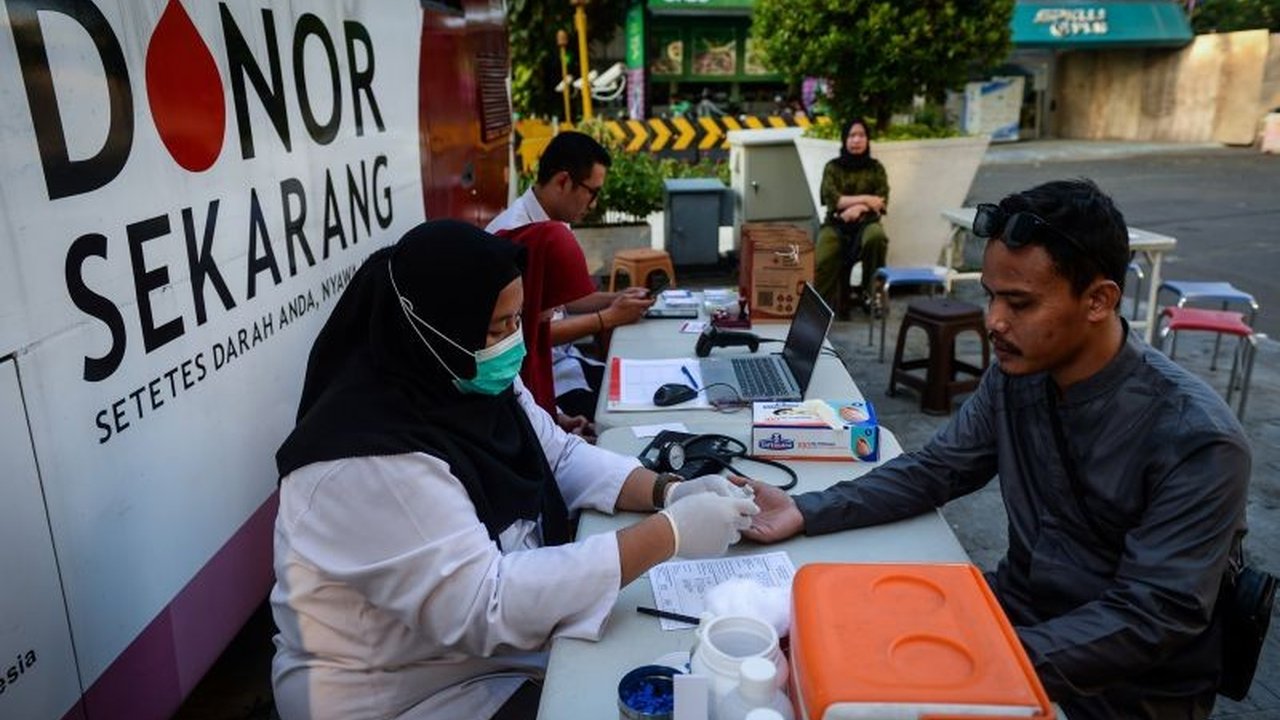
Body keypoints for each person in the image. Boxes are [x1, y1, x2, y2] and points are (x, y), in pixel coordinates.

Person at [744, 180, 1250, 719]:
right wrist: (805, 509)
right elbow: (938, 469)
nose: (994, 322)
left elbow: (1149, 618)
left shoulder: (1198, 439)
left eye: (1020, 302)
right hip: (1010, 622)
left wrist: (974, 660)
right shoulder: (1020, 375)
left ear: (1099, 300)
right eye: (991, 295)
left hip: (1123, 692)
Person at [270, 220, 759, 720]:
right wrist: (668, 535)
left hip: (479, 661)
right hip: (397, 694)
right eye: (496, 327)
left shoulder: (463, 378)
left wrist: (668, 491)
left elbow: (561, 455)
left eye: (517, 319)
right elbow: (486, 602)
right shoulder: (368, 461)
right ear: (432, 326)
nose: (513, 343)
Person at [487, 131, 652, 426]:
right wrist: (607, 317)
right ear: (563, 181)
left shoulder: (554, 222)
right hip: (537, 377)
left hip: (564, 361)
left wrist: (618, 300)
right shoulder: (511, 238)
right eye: (593, 192)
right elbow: (527, 335)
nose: (594, 204)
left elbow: (568, 300)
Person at [494, 221, 596, 423]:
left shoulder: (527, 331)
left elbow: (529, 409)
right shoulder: (501, 352)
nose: (559, 309)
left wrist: (558, 420)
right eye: (552, 300)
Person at [813, 118, 889, 317]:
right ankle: (818, 306)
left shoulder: (876, 168)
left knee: (876, 238)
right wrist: (866, 200)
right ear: (844, 139)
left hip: (867, 223)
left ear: (867, 139)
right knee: (823, 255)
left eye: (861, 135)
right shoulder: (833, 167)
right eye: (852, 135)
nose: (857, 140)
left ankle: (870, 294)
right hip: (836, 224)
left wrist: (857, 209)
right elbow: (833, 199)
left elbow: (881, 202)